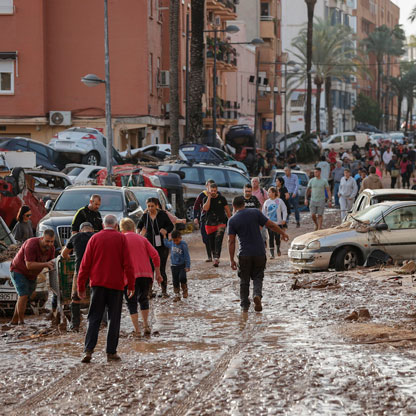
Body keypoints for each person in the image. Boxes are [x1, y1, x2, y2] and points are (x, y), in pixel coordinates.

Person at [77, 214, 135, 363]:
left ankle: (88, 351)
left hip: (97, 284)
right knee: (113, 319)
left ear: (103, 225)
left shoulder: (94, 238)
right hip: (116, 285)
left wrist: (81, 285)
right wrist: (131, 285)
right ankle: (111, 352)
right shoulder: (121, 239)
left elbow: (84, 265)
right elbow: (128, 264)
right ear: (116, 226)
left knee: (94, 317)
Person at [228, 196, 289, 312]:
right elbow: (270, 225)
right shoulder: (255, 213)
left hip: (244, 254)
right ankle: (257, 294)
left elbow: (231, 241)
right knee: (258, 276)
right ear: (244, 204)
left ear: (234, 206)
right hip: (259, 252)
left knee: (244, 280)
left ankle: (244, 306)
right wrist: (282, 233)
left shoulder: (232, 220)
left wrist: (231, 260)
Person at [120, 218, 162, 336]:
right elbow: (155, 255)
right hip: (146, 275)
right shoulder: (143, 239)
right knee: (144, 299)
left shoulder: (121, 240)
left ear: (122, 229)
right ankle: (146, 325)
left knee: (131, 302)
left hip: (129, 277)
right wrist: (158, 273)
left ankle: (137, 331)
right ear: (133, 228)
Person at [9, 230, 55, 325]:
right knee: (23, 295)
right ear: (41, 238)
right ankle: (21, 322)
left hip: (32, 274)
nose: (49, 244)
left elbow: (52, 264)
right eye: (47, 241)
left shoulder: (51, 248)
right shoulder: (31, 244)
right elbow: (29, 265)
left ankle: (14, 321)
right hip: (18, 270)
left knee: (25, 297)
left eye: (52, 241)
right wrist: (46, 264)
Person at [61, 222, 95, 331]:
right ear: (92, 230)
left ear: (80, 230)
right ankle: (101, 323)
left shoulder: (75, 237)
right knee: (98, 296)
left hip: (80, 270)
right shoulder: (96, 236)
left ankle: (75, 325)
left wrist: (67, 257)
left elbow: (63, 254)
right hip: (95, 271)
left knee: (75, 297)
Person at [137, 197, 174, 297]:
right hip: (149, 245)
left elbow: (171, 226)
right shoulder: (145, 216)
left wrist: (166, 230)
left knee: (161, 268)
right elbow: (139, 225)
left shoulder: (162, 214)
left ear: (156, 205)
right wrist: (138, 233)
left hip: (162, 245)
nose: (150, 208)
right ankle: (149, 291)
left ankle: (164, 291)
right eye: (148, 206)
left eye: (152, 206)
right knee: (149, 268)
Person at [202, 183, 231, 267]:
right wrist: (209, 198)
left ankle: (216, 258)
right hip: (209, 223)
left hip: (221, 222)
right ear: (209, 190)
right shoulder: (205, 199)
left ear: (217, 190)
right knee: (211, 242)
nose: (213, 192)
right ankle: (214, 255)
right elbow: (205, 208)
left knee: (218, 240)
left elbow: (227, 210)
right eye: (212, 191)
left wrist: (231, 220)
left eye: (215, 191)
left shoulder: (222, 199)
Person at [162, 229, 191, 302]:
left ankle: (185, 290)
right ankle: (177, 295)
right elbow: (166, 243)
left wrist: (187, 266)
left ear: (180, 238)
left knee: (182, 278)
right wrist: (164, 236)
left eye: (177, 240)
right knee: (175, 280)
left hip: (182, 265)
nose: (175, 242)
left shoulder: (183, 244)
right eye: (174, 240)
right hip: (174, 266)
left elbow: (187, 256)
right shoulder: (172, 243)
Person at [193, 179, 215, 262]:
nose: (211, 188)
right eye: (209, 186)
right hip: (204, 219)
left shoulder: (217, 195)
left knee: (214, 237)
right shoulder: (202, 195)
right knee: (205, 238)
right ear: (206, 186)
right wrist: (195, 217)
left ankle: (214, 254)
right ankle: (209, 256)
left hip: (214, 220)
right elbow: (196, 206)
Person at [262, 187, 287, 258]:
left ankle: (278, 248)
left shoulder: (279, 201)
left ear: (273, 193)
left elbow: (284, 210)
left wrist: (284, 219)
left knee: (277, 237)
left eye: (269, 192)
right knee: (270, 237)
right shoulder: (266, 202)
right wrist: (264, 221)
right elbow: (264, 212)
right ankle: (272, 253)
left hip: (278, 223)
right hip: (269, 223)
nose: (268, 193)